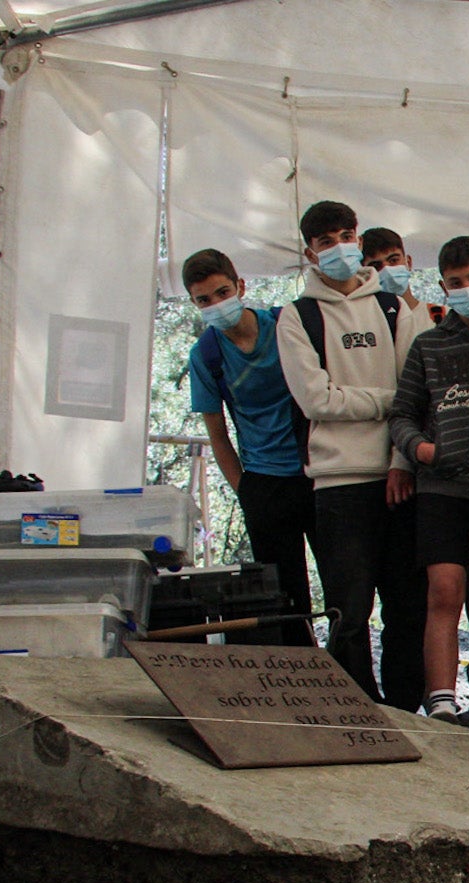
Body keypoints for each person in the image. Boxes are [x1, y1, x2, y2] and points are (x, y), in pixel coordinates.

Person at [275, 199, 425, 709]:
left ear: (358, 237)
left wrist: (402, 460)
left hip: (397, 476)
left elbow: (416, 393)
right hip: (337, 484)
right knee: (349, 611)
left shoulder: (392, 307)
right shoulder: (297, 317)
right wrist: (387, 400)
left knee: (408, 606)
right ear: (309, 253)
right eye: (325, 242)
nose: (339, 248)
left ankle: (408, 709)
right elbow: (316, 400)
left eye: (346, 235)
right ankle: (357, 709)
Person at [388, 234, 469, 735]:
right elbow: (401, 414)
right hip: (440, 489)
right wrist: (419, 450)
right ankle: (442, 704)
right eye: (455, 283)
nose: (467, 289)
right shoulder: (429, 343)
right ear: (441, 287)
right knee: (444, 591)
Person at [182, 248, 321, 649]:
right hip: (264, 482)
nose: (216, 305)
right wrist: (245, 490)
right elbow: (219, 435)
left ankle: (352, 674)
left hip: (319, 470)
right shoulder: (206, 356)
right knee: (285, 594)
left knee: (343, 580)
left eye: (222, 292)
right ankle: (301, 675)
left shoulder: (285, 325)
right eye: (204, 300)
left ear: (241, 286)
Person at [361, 227, 441, 323]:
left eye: (393, 260)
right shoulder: (365, 324)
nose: (387, 270)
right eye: (376, 266)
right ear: (364, 274)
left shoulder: (441, 317)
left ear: (408, 262)